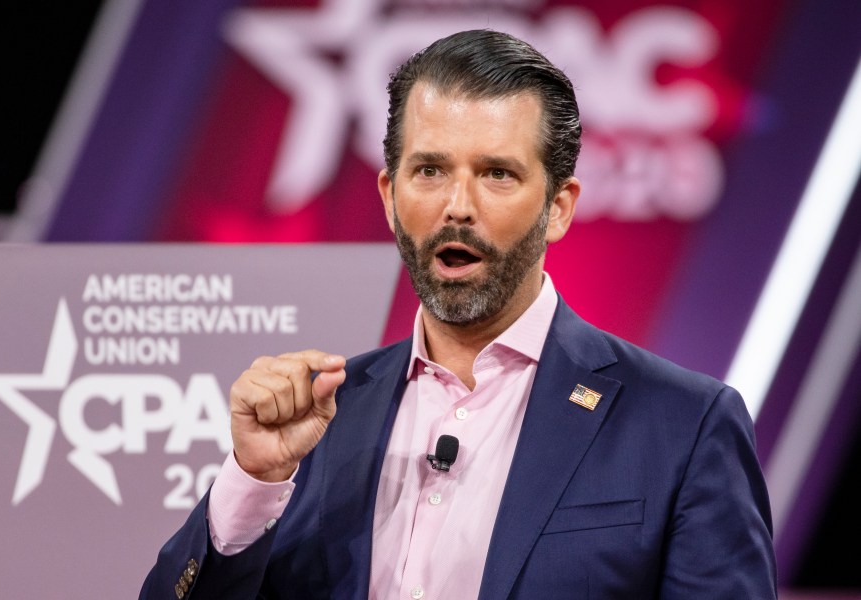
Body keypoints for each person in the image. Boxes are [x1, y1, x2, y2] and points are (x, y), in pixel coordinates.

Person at [140, 29, 777, 599]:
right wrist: (254, 480)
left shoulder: (683, 425)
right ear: (390, 197)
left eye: (497, 173)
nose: (457, 205)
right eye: (429, 170)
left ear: (558, 206)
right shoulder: (318, 419)